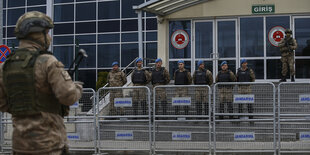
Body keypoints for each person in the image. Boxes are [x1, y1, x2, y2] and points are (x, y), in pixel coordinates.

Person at [0, 11, 83, 155]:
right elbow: (68, 96)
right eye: (48, 33)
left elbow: (2, 103)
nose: (49, 38)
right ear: (38, 35)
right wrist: (77, 88)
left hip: (20, 145)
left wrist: (24, 109)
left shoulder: (5, 66)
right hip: (49, 144)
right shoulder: (47, 62)